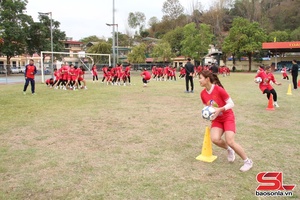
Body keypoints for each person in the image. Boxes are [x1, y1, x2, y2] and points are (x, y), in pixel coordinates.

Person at [199, 70, 253, 172]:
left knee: (230, 141)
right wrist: (207, 114)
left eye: (200, 78)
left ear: (207, 79)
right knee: (215, 139)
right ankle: (229, 150)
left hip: (227, 117)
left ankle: (247, 161)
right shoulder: (202, 93)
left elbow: (231, 104)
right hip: (217, 119)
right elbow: (206, 106)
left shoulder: (219, 90)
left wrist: (220, 109)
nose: (199, 80)